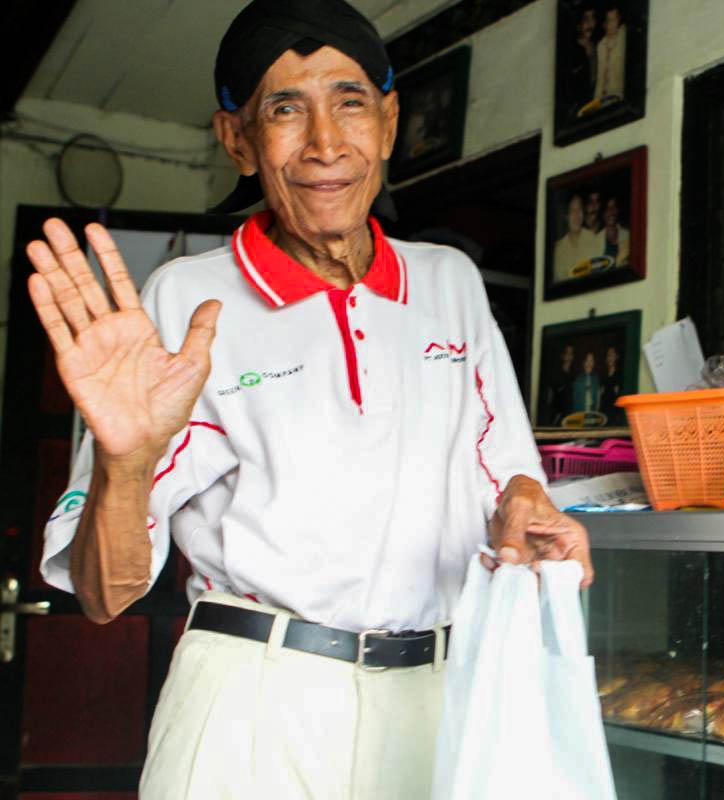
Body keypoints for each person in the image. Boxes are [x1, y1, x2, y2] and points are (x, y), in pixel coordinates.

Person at [25, 1, 592, 797]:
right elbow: (103, 594)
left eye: (350, 102)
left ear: (389, 123)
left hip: (437, 694)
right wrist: (124, 463)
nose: (326, 144)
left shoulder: (447, 284)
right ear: (238, 141)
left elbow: (506, 478)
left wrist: (529, 509)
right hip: (253, 704)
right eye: (285, 110)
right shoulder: (188, 298)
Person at [552, 193, 603, 282]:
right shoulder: (559, 249)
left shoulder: (594, 239)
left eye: (579, 209)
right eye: (572, 210)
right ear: (567, 216)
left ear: (583, 214)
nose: (576, 215)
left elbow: (599, 275)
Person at [593, 5, 627, 102]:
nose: (610, 24)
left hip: (619, 97)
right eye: (608, 20)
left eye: (613, 20)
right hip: (603, 99)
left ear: (619, 20)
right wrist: (596, 101)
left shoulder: (623, 37)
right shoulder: (601, 46)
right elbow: (600, 79)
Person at [544, 343, 576, 425]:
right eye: (567, 353)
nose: (569, 356)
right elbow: (551, 395)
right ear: (563, 356)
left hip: (570, 415)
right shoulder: (556, 373)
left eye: (571, 353)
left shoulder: (574, 375)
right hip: (557, 416)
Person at [601, 195, 631, 266]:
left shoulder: (628, 236)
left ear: (618, 210)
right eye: (607, 208)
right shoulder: (596, 240)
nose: (611, 211)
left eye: (614, 207)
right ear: (602, 213)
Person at [599, 345, 622, 418]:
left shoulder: (620, 374)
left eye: (612, 355)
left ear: (616, 357)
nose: (610, 357)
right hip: (603, 412)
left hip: (615, 412)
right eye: (608, 355)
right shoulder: (603, 375)